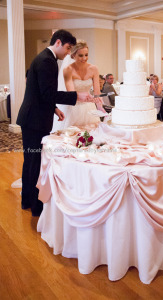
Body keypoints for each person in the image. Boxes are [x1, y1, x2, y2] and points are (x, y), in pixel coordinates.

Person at [16, 29, 91, 217]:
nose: (68, 52)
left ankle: (27, 200)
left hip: (34, 116)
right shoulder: (47, 61)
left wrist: (54, 108)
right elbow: (47, 93)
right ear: (58, 42)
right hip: (34, 120)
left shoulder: (45, 58)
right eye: (67, 48)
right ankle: (34, 206)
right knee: (33, 161)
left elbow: (41, 94)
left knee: (31, 161)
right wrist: (76, 96)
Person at [52, 41, 105, 132]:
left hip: (89, 108)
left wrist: (99, 106)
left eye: (86, 55)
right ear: (73, 55)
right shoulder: (68, 70)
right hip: (73, 107)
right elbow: (71, 93)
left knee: (91, 136)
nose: (84, 58)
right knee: (72, 136)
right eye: (80, 55)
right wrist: (87, 98)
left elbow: (97, 92)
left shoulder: (94, 69)